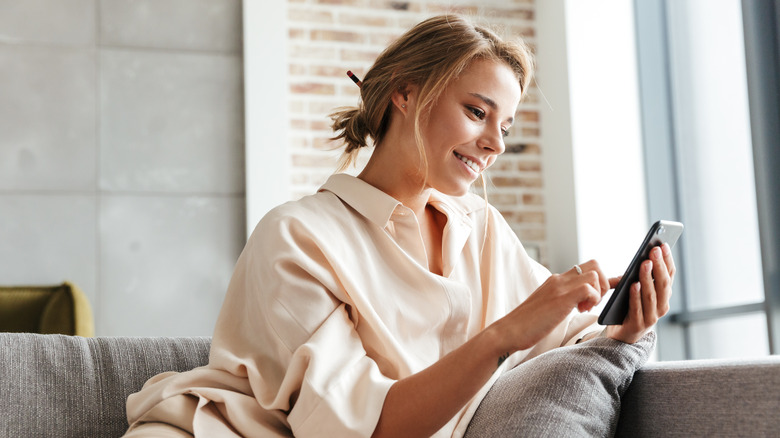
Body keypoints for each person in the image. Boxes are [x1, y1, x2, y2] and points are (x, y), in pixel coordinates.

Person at [124, 14, 675, 438]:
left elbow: (562, 339)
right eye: (477, 112)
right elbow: (368, 427)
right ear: (406, 93)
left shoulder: (479, 229)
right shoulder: (296, 236)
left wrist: (624, 327)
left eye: (505, 125)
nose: (496, 143)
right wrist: (505, 335)